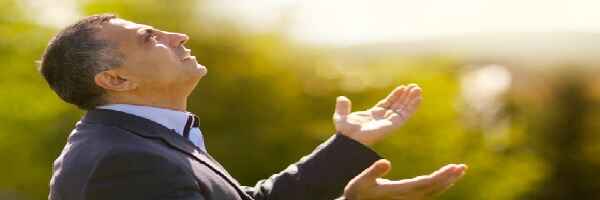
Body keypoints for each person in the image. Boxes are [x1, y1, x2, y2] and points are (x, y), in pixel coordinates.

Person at [40, 14, 467, 200]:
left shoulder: (141, 141)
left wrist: (348, 144)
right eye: (150, 38)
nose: (179, 36)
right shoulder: (123, 161)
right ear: (116, 80)